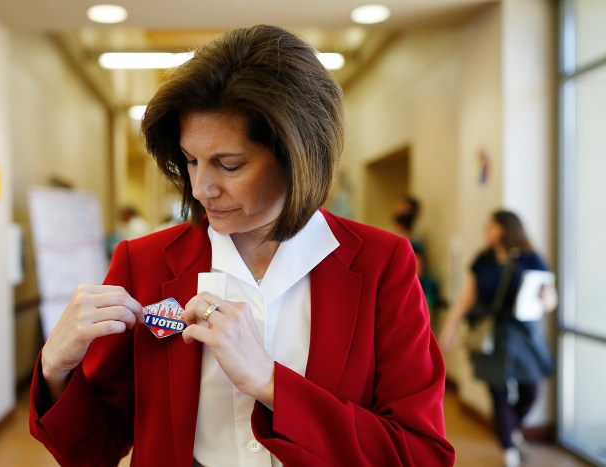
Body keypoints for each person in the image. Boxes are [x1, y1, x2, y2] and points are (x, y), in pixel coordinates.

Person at [30, 25, 455, 466]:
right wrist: (55, 370)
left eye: (229, 165)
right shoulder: (145, 263)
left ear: (298, 157)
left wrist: (271, 384)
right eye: (191, 161)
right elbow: (96, 448)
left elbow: (420, 454)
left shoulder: (382, 264)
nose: (200, 189)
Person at [439, 210, 555, 467]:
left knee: (531, 391)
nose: (486, 230)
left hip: (522, 335)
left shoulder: (531, 259)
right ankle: (509, 451)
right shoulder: (483, 259)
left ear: (506, 229)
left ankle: (510, 432)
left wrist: (547, 300)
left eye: (491, 226)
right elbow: (466, 299)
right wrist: (449, 329)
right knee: (498, 393)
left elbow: (550, 297)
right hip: (489, 334)